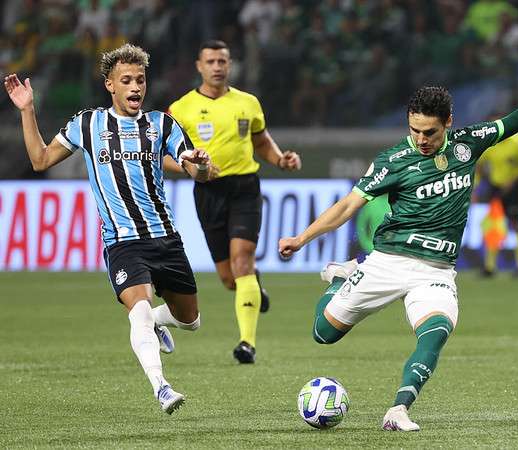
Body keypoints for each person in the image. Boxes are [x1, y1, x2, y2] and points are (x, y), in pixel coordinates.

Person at [279, 59, 518, 431]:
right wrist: (301, 238)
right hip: (387, 262)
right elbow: (347, 207)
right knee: (324, 335)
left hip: (435, 271)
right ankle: (344, 275)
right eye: (414, 130)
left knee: (435, 332)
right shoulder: (393, 161)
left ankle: (399, 409)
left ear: (448, 122)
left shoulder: (469, 144)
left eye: (429, 132)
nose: (421, 139)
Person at [4, 44, 212, 414]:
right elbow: (40, 160)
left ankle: (158, 325)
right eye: (127, 80)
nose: (136, 87)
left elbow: (197, 170)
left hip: (165, 238)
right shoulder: (88, 124)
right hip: (123, 244)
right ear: (110, 86)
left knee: (191, 321)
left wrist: (200, 164)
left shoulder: (161, 124)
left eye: (141, 80)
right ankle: (161, 387)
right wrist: (28, 110)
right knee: (139, 310)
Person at [167, 40, 301, 364]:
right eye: (210, 61)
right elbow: (163, 157)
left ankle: (247, 343)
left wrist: (280, 159)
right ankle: (254, 287)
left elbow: (261, 140)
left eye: (222, 61)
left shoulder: (248, 102)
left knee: (242, 260)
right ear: (199, 66)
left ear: (230, 65)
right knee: (231, 279)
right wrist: (192, 170)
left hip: (244, 187)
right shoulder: (180, 108)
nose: (217, 67)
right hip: (208, 192)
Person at [475, 122, 518, 277]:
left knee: (515, 223)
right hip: (496, 187)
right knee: (494, 224)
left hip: (515, 187)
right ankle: (490, 267)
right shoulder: (491, 142)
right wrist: (477, 185)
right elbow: (479, 164)